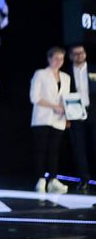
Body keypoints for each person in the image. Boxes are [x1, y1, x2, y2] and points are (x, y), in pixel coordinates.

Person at [30, 47, 71, 194]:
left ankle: (53, 179)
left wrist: (67, 114)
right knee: (41, 149)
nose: (59, 61)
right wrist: (54, 106)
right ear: (49, 59)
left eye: (61, 59)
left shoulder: (66, 77)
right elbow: (34, 97)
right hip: (42, 118)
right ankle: (41, 179)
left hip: (59, 119)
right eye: (56, 58)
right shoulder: (40, 74)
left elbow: (66, 98)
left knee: (54, 151)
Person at [67, 44, 96, 193]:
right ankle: (84, 178)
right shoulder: (66, 73)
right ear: (71, 56)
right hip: (75, 112)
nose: (79, 55)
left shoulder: (94, 69)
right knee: (79, 147)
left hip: (93, 111)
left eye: (82, 52)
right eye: (76, 53)